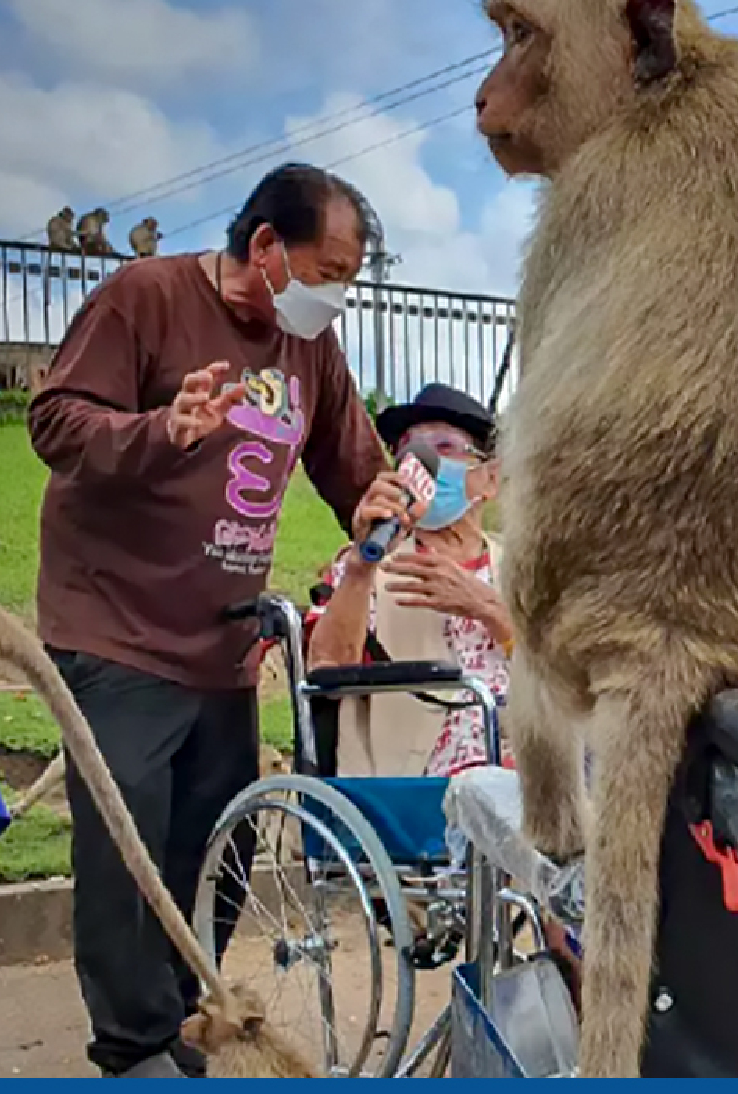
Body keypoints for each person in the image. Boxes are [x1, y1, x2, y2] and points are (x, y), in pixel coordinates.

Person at [26, 163, 415, 1079]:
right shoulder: (144, 297)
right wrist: (164, 428)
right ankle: (133, 1050)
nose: (336, 296)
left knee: (218, 848)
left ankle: (179, 1022)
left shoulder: (305, 347)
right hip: (115, 628)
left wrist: (379, 501)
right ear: (268, 246)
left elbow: (349, 463)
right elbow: (55, 421)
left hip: (223, 641)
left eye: (351, 278)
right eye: (329, 270)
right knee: (127, 856)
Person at [305, 383, 513, 778]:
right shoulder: (369, 567)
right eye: (409, 450)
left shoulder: (521, 571)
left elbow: (572, 685)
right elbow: (326, 674)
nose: (422, 461)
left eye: (444, 447)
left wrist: (488, 608)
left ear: (491, 479)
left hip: (526, 776)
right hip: (414, 787)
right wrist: (361, 568)